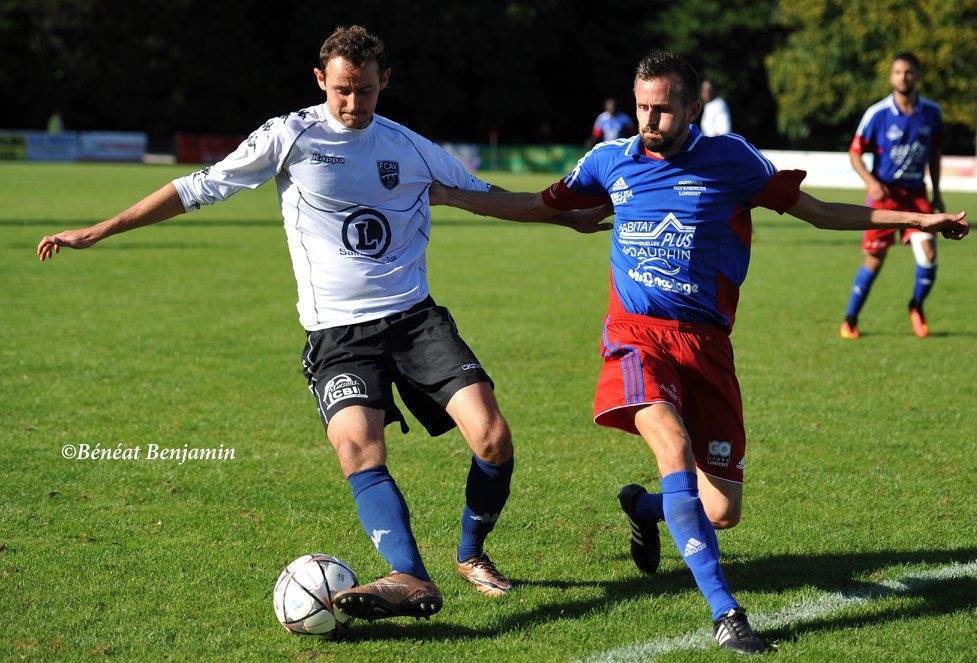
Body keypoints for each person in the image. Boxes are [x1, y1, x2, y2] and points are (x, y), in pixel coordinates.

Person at [35, 25, 599, 622]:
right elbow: (196, 188)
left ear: (385, 82)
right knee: (357, 445)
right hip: (337, 335)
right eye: (342, 90)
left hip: (415, 321)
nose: (353, 103)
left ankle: (471, 552)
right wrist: (100, 230)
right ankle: (411, 577)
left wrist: (564, 218)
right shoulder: (289, 136)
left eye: (366, 90)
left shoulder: (408, 147)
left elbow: (484, 195)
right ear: (320, 81)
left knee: (492, 436)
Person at [429, 50, 967, 654]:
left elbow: (820, 214)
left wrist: (918, 220)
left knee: (721, 509)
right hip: (635, 336)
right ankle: (726, 613)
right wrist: (450, 196)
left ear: (691, 110)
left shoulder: (731, 159)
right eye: (641, 107)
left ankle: (644, 507)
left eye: (661, 109)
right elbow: (534, 205)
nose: (648, 120)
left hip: (707, 347)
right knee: (674, 446)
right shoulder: (610, 160)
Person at [841, 52, 944, 339]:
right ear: (891, 77)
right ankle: (850, 319)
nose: (903, 77)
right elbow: (855, 153)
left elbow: (934, 154)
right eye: (898, 72)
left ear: (917, 75)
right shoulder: (878, 114)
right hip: (885, 196)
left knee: (929, 254)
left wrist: (937, 192)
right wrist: (871, 182)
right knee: (874, 261)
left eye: (908, 72)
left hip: (916, 197)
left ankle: (916, 306)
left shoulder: (932, 113)